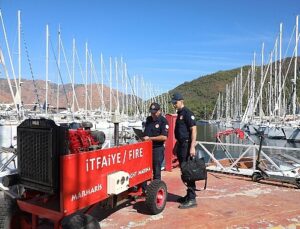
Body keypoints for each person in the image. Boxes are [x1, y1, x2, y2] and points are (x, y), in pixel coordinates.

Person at [171, 92, 197, 209]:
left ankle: (192, 199)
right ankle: (189, 195)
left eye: (175, 102)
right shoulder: (180, 114)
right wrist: (177, 144)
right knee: (184, 171)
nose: (174, 105)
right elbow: (181, 133)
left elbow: (193, 130)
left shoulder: (187, 113)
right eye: (173, 103)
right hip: (181, 145)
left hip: (187, 146)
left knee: (188, 172)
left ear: (181, 101)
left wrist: (192, 146)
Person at [143, 102, 169, 181]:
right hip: (147, 148)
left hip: (157, 149)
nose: (152, 114)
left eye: (154, 113)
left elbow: (164, 137)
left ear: (159, 111)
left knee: (156, 170)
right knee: (144, 169)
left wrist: (150, 138)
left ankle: (155, 189)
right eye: (151, 112)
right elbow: (145, 132)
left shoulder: (163, 121)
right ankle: (144, 188)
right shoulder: (148, 119)